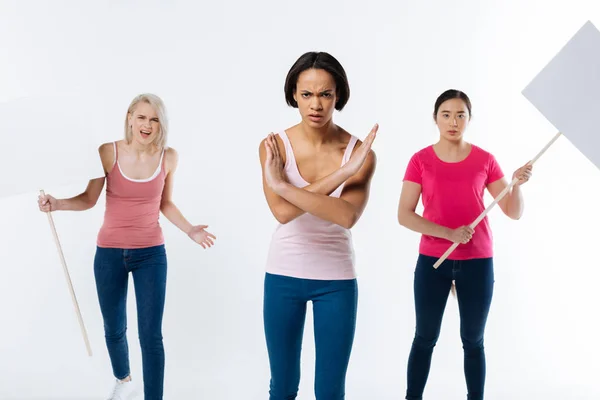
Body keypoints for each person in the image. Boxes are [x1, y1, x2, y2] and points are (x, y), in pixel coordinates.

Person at [38, 93, 216, 400]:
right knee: (114, 328)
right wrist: (57, 204)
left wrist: (190, 230)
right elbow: (89, 199)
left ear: (162, 124)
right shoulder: (108, 153)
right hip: (108, 253)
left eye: (155, 119)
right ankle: (123, 379)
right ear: (130, 118)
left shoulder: (168, 157)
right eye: (142, 117)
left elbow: (166, 203)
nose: (147, 125)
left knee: (150, 335)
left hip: (151, 254)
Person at [397, 89, 533, 400]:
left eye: (461, 115)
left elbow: (513, 212)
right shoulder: (420, 160)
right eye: (446, 114)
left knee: (473, 340)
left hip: (477, 261)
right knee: (425, 336)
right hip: (434, 261)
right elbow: (404, 215)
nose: (453, 121)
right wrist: (448, 234)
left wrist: (516, 185)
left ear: (469, 119)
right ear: (435, 118)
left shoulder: (485, 160)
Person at [259, 51, 378, 400]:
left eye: (325, 94)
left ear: (337, 95)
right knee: (282, 387)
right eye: (307, 94)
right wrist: (342, 173)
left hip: (336, 280)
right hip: (282, 275)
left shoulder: (361, 153)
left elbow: (346, 216)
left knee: (329, 390)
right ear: (293, 94)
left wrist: (289, 189)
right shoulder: (274, 146)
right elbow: (282, 212)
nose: (316, 104)